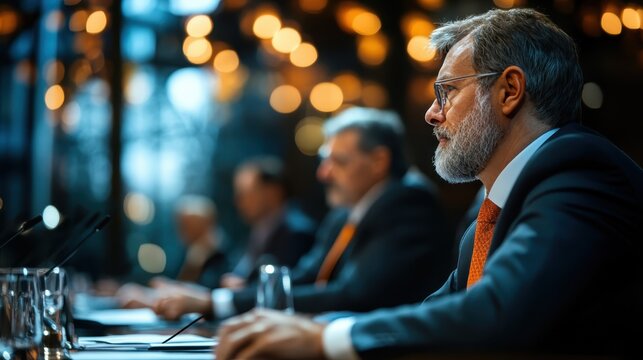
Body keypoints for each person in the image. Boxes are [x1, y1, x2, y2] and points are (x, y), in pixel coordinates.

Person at [215, 8, 643, 359]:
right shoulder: (488, 212)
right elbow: (438, 314)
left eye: (447, 92)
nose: (431, 114)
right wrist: (303, 331)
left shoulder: (579, 172)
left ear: (510, 90)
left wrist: (324, 341)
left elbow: (497, 313)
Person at [151, 107, 453, 320]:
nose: (323, 174)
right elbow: (306, 276)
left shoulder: (408, 204)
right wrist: (236, 296)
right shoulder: (345, 214)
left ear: (378, 161)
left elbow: (353, 294)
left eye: (338, 161)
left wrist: (217, 302)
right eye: (325, 160)